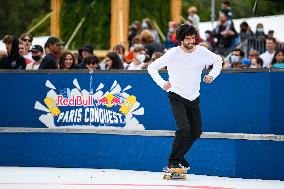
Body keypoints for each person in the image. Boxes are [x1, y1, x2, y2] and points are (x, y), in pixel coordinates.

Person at [147, 24, 222, 169]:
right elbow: (152, 67)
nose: (191, 41)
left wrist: (212, 75)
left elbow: (218, 61)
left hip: (194, 97)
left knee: (196, 130)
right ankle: (173, 161)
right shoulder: (173, 53)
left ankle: (179, 157)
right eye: (187, 39)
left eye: (193, 38)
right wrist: (162, 83)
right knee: (183, 128)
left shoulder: (202, 51)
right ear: (181, 39)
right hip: (176, 95)